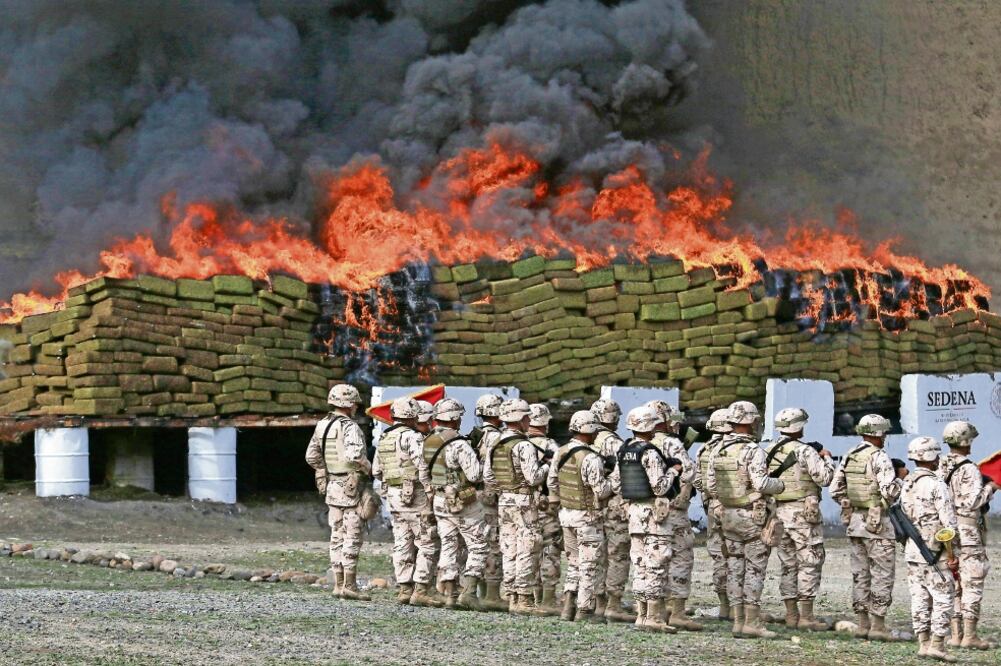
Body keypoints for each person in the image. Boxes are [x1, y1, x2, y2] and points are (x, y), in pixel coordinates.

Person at [706, 400, 785, 639]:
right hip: (752, 516)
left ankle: (738, 621)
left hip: (728, 515)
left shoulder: (717, 450)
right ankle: (751, 622)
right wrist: (779, 485)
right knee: (754, 569)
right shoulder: (753, 450)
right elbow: (761, 483)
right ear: (751, 422)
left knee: (734, 568)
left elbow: (711, 486)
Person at [829, 414, 906, 641]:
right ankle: (878, 627)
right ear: (880, 434)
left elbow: (835, 490)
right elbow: (890, 491)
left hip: (855, 522)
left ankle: (862, 625)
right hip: (877, 524)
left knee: (860, 574)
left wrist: (850, 504)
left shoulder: (850, 455)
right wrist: (901, 479)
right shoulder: (879, 456)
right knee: (881, 575)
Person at [766, 407, 835, 630]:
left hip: (779, 512)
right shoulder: (806, 451)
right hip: (803, 514)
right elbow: (824, 478)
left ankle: (791, 615)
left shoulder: (769, 450)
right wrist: (827, 458)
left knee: (787, 564)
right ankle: (806, 617)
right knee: (810, 560)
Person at [305, 384, 372, 601]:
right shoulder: (349, 427)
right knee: (352, 535)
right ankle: (350, 586)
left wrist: (326, 470)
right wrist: (371, 470)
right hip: (350, 487)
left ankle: (338, 585)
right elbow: (355, 456)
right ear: (350, 404)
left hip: (332, 486)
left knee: (336, 536)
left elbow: (311, 457)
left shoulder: (322, 425)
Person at [547, 410, 615, 623]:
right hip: (587, 518)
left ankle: (568, 606)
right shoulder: (591, 458)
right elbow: (601, 491)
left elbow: (551, 483)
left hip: (566, 515)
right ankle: (585, 610)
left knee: (574, 563)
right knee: (589, 565)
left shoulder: (561, 451)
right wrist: (615, 480)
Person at [620, 405, 682, 633]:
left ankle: (641, 615)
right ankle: (654, 617)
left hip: (635, 513)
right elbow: (660, 486)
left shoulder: (625, 449)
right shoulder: (650, 452)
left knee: (640, 565)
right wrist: (674, 470)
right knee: (656, 564)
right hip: (654, 515)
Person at [484, 398, 549, 615]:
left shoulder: (496, 443)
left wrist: (505, 486)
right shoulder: (524, 445)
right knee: (528, 547)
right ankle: (524, 599)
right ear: (521, 419)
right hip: (524, 501)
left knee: (509, 547)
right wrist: (547, 466)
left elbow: (488, 476)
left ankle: (511, 594)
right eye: (527, 417)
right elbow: (533, 478)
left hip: (505, 500)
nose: (530, 421)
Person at [372, 397, 438, 607]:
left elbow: (376, 471)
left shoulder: (385, 437)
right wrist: (430, 492)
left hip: (394, 495)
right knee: (426, 542)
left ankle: (404, 588)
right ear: (413, 416)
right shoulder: (413, 436)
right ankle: (421, 589)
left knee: (402, 542)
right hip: (415, 495)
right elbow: (423, 465)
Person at [423, 398, 488, 611]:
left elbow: (425, 473)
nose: (461, 420)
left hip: (440, 499)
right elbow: (475, 474)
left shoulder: (429, 440)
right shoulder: (459, 443)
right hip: (462, 501)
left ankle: (450, 594)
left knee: (449, 544)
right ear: (453, 418)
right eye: (459, 416)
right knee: (478, 544)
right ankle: (469, 592)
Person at [939, 420, 998, 649]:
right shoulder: (969, 468)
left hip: (945, 531)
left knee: (953, 581)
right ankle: (970, 636)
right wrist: (991, 487)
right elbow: (972, 502)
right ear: (965, 442)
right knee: (972, 581)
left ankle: (955, 635)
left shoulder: (939, 464)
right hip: (967, 531)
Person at [901, 436, 959, 662]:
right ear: (932, 456)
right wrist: (953, 555)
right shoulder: (936, 484)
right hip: (936, 552)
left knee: (919, 598)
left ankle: (923, 644)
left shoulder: (907, 483)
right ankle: (937, 645)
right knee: (944, 598)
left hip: (913, 549)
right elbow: (949, 525)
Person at [645, 399, 701, 631]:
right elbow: (688, 472)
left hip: (647, 509)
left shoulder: (637, 442)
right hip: (674, 510)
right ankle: (676, 611)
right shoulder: (671, 443)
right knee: (680, 558)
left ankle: (655, 610)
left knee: (653, 559)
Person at [589, 398, 634, 623]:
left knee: (598, 555)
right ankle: (614, 604)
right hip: (613, 504)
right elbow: (623, 475)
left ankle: (598, 603)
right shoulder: (614, 443)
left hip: (590, 504)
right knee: (618, 554)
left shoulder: (586, 439)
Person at [692, 408, 733, 621]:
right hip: (736, 510)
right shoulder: (740, 447)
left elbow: (698, 480)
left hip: (713, 509)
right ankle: (740, 608)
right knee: (739, 557)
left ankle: (725, 606)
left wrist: (710, 495)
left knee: (719, 557)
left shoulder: (704, 450)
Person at [471, 393, 507, 611]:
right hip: (489, 496)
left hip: (475, 496)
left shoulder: (476, 435)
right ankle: (492, 594)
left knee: (478, 541)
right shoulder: (497, 438)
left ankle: (482, 589)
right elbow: (492, 470)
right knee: (493, 542)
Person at [527, 403, 561, 617]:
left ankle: (528, 595)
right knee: (550, 550)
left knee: (527, 550)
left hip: (521, 504)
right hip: (546, 505)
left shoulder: (516, 443)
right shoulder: (552, 446)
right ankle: (547, 599)